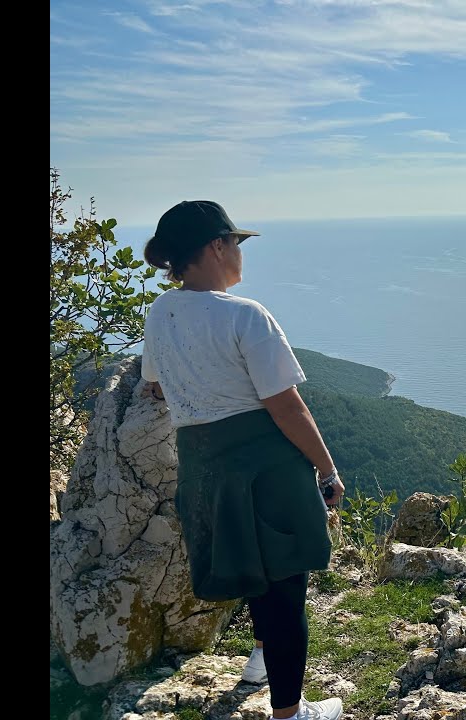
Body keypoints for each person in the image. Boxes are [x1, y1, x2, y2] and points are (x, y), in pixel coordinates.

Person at [140, 200, 345, 720]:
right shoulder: (245, 315)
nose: (239, 252)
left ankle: (259, 661)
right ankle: (290, 713)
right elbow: (286, 406)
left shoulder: (161, 312)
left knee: (254, 569)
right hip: (266, 471)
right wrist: (327, 467)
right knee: (285, 589)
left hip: (204, 470)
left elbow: (154, 387)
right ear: (215, 246)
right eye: (236, 242)